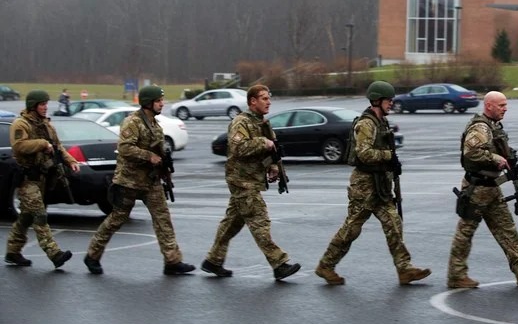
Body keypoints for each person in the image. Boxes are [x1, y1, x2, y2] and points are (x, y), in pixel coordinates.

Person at [315, 81, 431, 285]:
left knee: (394, 224)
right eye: (388, 100)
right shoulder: (366, 124)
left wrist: (392, 165)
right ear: (377, 100)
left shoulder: (382, 122)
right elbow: (364, 153)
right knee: (351, 229)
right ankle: (326, 265)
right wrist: (389, 156)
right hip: (364, 187)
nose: (391, 103)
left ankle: (404, 269)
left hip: (381, 186)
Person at [84, 85, 195, 275]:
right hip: (129, 182)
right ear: (148, 103)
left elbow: (158, 153)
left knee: (163, 219)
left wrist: (163, 170)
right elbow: (125, 148)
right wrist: (148, 156)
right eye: (159, 101)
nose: (162, 104)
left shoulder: (155, 125)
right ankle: (92, 255)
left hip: (150, 182)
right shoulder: (132, 122)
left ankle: (172, 261)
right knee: (117, 219)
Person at [446, 91, 518, 288]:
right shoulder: (480, 127)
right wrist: (496, 159)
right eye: (501, 105)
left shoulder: (492, 126)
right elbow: (472, 152)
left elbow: (495, 150)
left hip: (491, 188)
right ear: (489, 106)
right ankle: (456, 275)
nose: (505, 108)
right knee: (465, 231)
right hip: (477, 189)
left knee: (506, 228)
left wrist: (508, 161)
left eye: (505, 105)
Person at [201, 84, 301, 281]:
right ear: (252, 101)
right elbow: (239, 148)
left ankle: (213, 260)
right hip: (242, 182)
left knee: (232, 223)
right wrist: (262, 142)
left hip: (252, 180)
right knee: (259, 220)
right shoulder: (241, 122)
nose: (269, 101)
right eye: (264, 98)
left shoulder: (263, 123)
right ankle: (279, 263)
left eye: (269, 97)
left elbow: (270, 151)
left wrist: (273, 168)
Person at [5, 90, 77, 268]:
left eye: (46, 104)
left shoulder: (46, 125)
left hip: (42, 179)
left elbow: (57, 146)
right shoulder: (20, 124)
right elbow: (20, 145)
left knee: (26, 217)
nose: (45, 107)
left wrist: (71, 161)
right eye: (42, 104)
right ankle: (54, 253)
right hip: (27, 179)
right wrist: (42, 144)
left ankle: (13, 252)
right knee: (39, 214)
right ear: (33, 106)